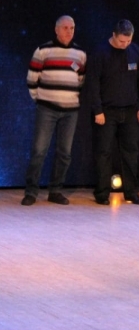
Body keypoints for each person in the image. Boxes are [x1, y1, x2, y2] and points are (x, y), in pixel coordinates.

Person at [22, 15, 86, 206]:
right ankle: (31, 192)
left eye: (72, 28)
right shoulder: (43, 50)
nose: (69, 31)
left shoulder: (80, 53)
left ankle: (55, 191)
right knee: (39, 150)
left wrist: (69, 96)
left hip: (70, 111)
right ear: (56, 29)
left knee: (64, 153)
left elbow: (81, 80)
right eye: (65, 28)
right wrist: (41, 99)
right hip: (47, 109)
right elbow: (32, 79)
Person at [87, 19, 139, 206]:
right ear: (114, 35)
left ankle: (132, 193)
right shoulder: (100, 53)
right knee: (104, 152)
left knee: (131, 152)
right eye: (122, 41)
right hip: (106, 111)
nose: (125, 44)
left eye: (128, 41)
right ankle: (102, 193)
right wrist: (97, 110)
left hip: (130, 110)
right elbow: (93, 83)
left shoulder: (135, 51)